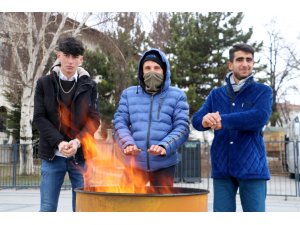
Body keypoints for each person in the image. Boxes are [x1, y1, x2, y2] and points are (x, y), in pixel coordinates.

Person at [192, 43, 272, 212]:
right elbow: (196, 120)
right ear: (230, 64)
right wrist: (205, 120)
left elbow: (259, 117)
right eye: (240, 59)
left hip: (252, 168)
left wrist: (222, 121)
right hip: (222, 168)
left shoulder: (263, 91)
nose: (245, 64)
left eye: (249, 60)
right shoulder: (216, 94)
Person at [33, 36, 100, 211]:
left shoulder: (90, 86)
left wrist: (77, 142)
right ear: (59, 56)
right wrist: (59, 142)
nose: (70, 61)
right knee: (47, 208)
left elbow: (94, 120)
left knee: (82, 209)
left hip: (81, 157)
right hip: (52, 156)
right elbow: (39, 118)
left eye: (75, 57)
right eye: (67, 55)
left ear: (81, 59)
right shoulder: (43, 83)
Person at [113, 48, 189, 190]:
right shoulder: (128, 94)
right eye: (147, 68)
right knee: (126, 207)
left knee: (160, 209)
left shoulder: (177, 95)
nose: (152, 71)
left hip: (164, 165)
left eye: (156, 68)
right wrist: (127, 143)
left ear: (164, 71)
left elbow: (183, 127)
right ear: (141, 71)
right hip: (133, 165)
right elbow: (119, 123)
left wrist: (164, 145)